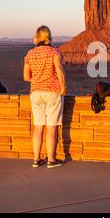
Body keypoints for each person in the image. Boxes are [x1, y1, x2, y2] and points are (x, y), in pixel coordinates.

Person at [24, 26, 67, 169]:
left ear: (37, 37)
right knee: (51, 126)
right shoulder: (54, 51)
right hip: (52, 91)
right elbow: (59, 69)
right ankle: (51, 160)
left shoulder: (30, 54)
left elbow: (26, 76)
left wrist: (38, 80)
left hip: (35, 93)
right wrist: (63, 86)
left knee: (38, 126)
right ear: (48, 36)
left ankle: (36, 159)